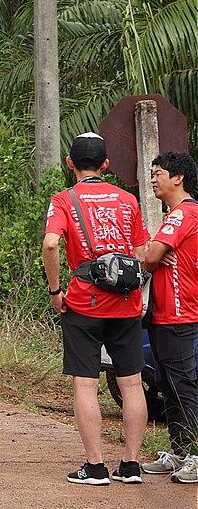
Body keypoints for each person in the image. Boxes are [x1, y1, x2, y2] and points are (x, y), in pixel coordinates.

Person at [42, 133, 148, 486]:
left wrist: (56, 290)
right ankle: (131, 465)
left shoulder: (64, 200)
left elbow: (51, 244)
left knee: (86, 384)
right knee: (132, 383)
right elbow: (142, 250)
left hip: (85, 302)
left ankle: (96, 466)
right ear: (105, 165)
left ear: (70, 162)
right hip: (126, 302)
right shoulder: (127, 199)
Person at [140, 151, 198, 484]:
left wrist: (153, 253)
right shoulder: (175, 215)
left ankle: (194, 455)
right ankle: (179, 452)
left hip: (179, 313)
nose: (153, 178)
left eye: (158, 172)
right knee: (168, 386)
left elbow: (150, 257)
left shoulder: (183, 214)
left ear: (178, 177)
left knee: (182, 385)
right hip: (165, 315)